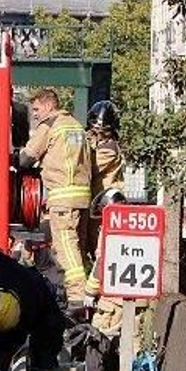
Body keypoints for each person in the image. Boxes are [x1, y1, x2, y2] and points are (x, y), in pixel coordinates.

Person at [14, 89, 94, 310]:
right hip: (82, 197)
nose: (35, 114)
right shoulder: (76, 126)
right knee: (78, 248)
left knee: (65, 248)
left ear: (49, 105)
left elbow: (27, 158)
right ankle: (83, 294)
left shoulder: (50, 126)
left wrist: (14, 157)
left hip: (62, 198)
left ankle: (77, 297)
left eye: (37, 109)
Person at [82, 100, 127, 335]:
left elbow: (90, 166)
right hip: (96, 208)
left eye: (102, 131)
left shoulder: (110, 148)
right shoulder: (99, 143)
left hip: (107, 207)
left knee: (102, 253)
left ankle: (97, 293)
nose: (98, 134)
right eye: (94, 130)